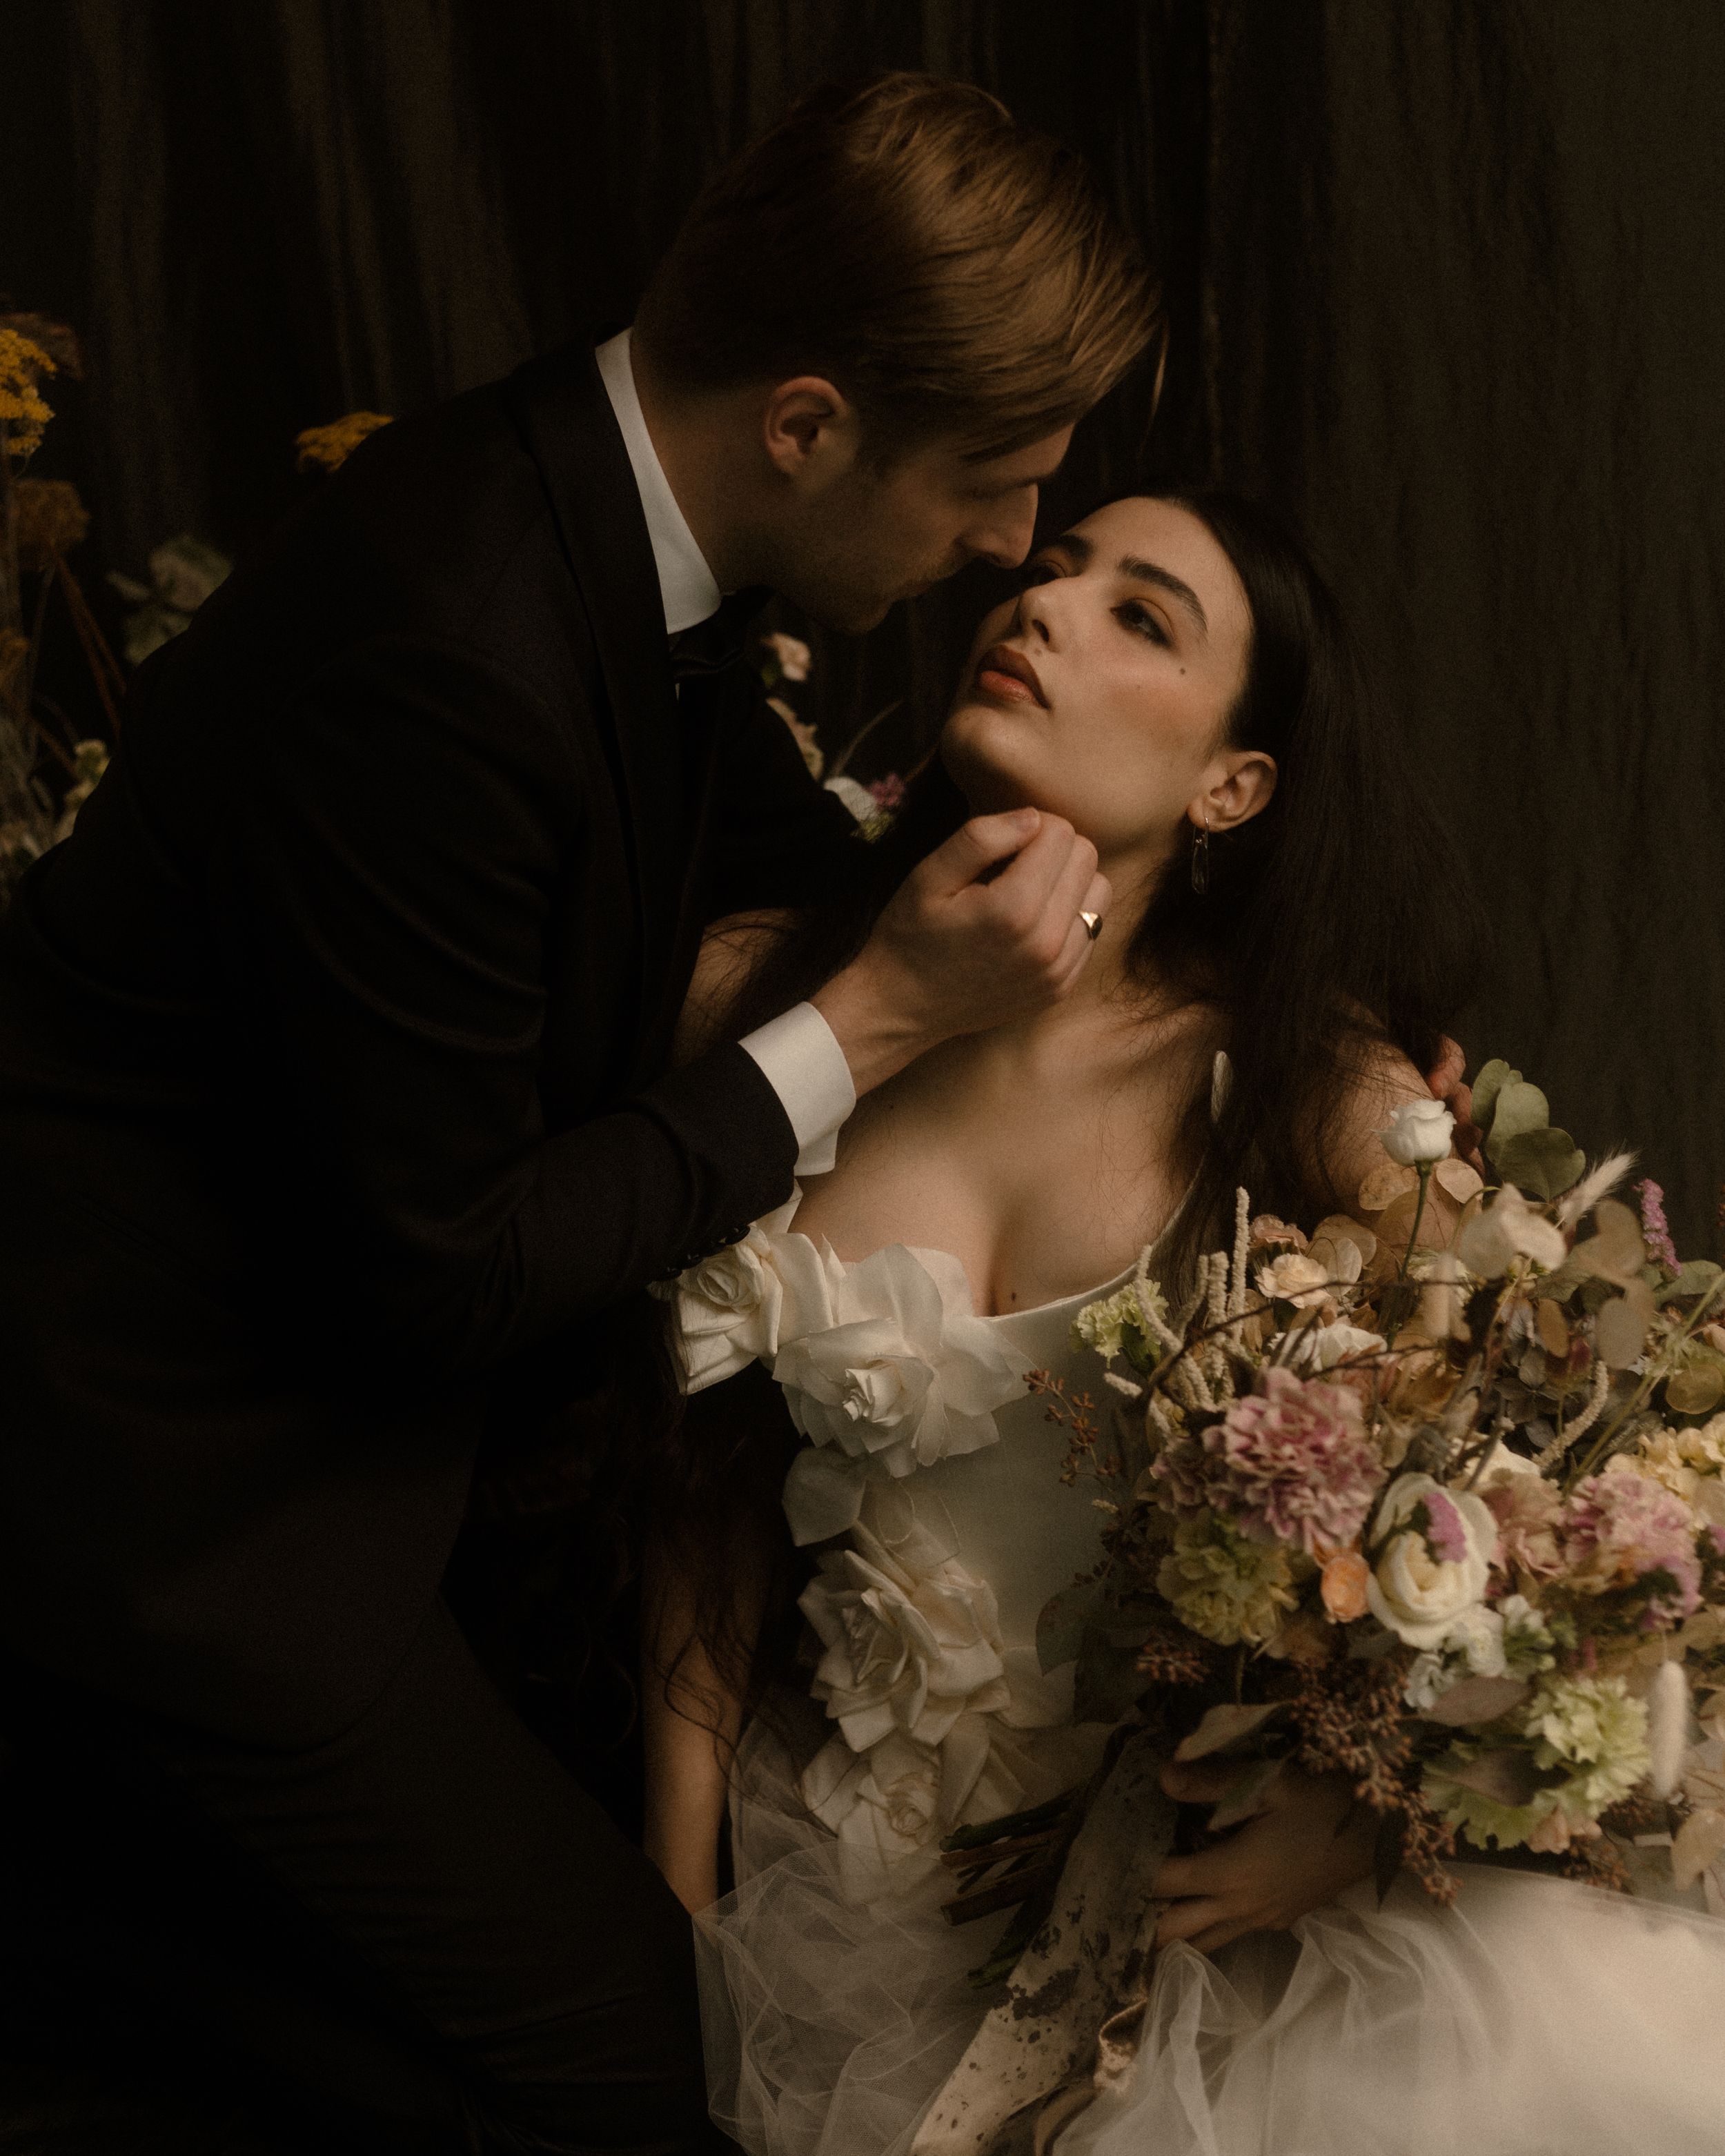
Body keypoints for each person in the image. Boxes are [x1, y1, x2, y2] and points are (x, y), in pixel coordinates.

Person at [0, 77, 1153, 2154]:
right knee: (630, 2068)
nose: (1007, 549)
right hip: (168, 1493)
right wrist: (881, 1018)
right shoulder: (445, 646)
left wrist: (1250, 1014)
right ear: (805, 425)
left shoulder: (613, 510)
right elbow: (428, 1276)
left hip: (381, 1457)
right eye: (989, 485)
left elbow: (769, 833)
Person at [647, 491, 1725, 2155]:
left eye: (1140, 616)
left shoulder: (1318, 1098)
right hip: (844, 1902)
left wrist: (1371, 1828)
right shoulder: (757, 992)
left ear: (1234, 786)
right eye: (1054, 568)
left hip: (1209, 1926)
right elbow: (703, 1504)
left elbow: (1616, 1528)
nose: (1047, 607)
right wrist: (672, 1913)